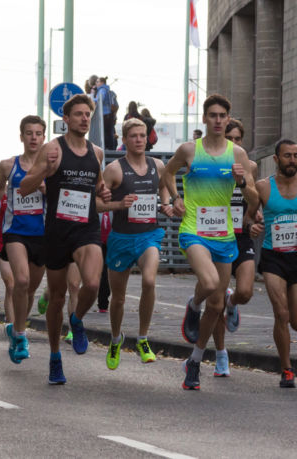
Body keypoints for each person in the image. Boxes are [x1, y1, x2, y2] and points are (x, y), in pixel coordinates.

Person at [159, 94, 257, 391]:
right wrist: (175, 199)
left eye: (222, 116)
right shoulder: (189, 150)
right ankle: (194, 301)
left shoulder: (238, 155)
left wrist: (241, 182)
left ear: (228, 119)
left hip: (225, 235)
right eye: (212, 115)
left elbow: (253, 199)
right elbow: (167, 172)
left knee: (217, 306)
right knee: (213, 284)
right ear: (205, 119)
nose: (217, 120)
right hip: (193, 230)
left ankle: (195, 359)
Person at [18, 94, 110, 385]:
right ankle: (55, 357)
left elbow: (98, 187)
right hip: (57, 231)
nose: (84, 119)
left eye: (88, 115)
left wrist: (104, 193)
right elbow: (24, 187)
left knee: (92, 284)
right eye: (79, 114)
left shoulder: (96, 152)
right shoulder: (52, 149)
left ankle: (78, 319)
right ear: (66, 119)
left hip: (86, 228)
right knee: (56, 297)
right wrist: (46, 169)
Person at [98, 117, 173, 369]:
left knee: (149, 280)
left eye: (143, 135)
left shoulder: (157, 165)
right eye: (134, 136)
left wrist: (166, 204)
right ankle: (116, 338)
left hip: (148, 235)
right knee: (117, 299)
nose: (139, 140)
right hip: (120, 238)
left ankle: (142, 338)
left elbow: (163, 187)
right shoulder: (114, 170)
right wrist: (119, 204)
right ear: (125, 139)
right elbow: (96, 204)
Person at [250, 139, 297, 387]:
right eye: (287, 156)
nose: (292, 161)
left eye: (296, 156)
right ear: (276, 159)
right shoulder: (263, 187)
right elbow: (250, 216)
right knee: (282, 313)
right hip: (273, 256)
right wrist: (253, 225)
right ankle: (286, 368)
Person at [0, 115, 48, 365]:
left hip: (43, 234)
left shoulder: (51, 168)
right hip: (15, 232)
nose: (33, 137)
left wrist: (49, 190)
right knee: (20, 281)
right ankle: (21, 335)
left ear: (44, 137)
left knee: (30, 288)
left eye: (38, 133)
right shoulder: (7, 165)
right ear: (21, 136)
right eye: (29, 133)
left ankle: (17, 329)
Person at [210, 118, 258, 377]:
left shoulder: (250, 166)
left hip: (240, 236)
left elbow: (254, 199)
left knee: (246, 291)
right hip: (217, 236)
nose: (234, 144)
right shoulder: (211, 165)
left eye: (238, 139)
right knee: (215, 301)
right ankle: (221, 354)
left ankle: (233, 301)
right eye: (230, 139)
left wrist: (253, 218)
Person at [92, 76, 119, 151]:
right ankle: (111, 147)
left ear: (102, 82)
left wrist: (92, 97)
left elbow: (100, 100)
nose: (96, 83)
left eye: (97, 82)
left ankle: (107, 147)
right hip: (109, 114)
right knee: (109, 131)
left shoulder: (102, 90)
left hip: (104, 114)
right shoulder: (107, 90)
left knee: (105, 132)